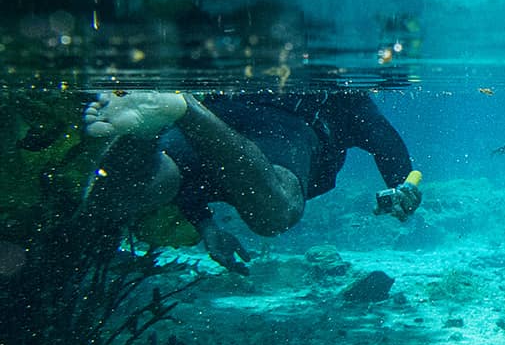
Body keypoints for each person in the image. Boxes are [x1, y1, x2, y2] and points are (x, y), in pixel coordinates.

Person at [81, 89, 422, 274]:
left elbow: (198, 181)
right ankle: (185, 109)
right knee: (276, 212)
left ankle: (148, 132)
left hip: (217, 114)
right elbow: (384, 139)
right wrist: (403, 186)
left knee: (122, 196)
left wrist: (208, 229)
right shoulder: (342, 95)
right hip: (283, 125)